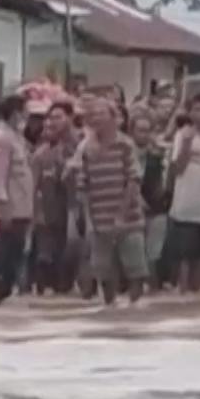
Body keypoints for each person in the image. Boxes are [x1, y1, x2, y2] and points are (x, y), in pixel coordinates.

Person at [70, 95, 148, 306]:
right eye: (93, 114)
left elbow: (133, 180)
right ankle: (110, 309)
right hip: (99, 219)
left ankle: (135, 309)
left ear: (113, 118)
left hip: (129, 218)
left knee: (136, 269)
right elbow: (82, 185)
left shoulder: (125, 145)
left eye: (101, 113)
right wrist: (87, 219)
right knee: (103, 270)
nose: (96, 117)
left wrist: (121, 215)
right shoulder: (87, 149)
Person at [0, 94, 35, 306]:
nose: (27, 117)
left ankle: (2, 293)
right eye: (25, 113)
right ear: (15, 114)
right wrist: (2, 207)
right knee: (4, 253)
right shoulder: (1, 139)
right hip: (10, 208)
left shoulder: (17, 138)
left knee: (15, 252)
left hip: (22, 206)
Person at [167, 92, 200, 294]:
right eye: (197, 109)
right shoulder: (182, 135)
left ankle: (196, 293)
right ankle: (183, 293)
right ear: (189, 112)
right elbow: (177, 168)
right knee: (184, 256)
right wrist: (188, 144)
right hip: (185, 204)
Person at [31, 101, 80, 294]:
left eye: (58, 117)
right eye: (50, 119)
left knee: (73, 248)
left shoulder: (81, 143)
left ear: (70, 117)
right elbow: (34, 184)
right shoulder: (41, 154)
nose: (54, 123)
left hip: (76, 205)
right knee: (49, 251)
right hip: (52, 209)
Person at [129, 110, 171, 289]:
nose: (144, 134)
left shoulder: (160, 154)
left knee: (154, 253)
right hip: (131, 210)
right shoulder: (125, 153)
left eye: (148, 130)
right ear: (132, 131)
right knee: (134, 256)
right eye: (141, 130)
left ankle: (153, 290)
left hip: (157, 209)